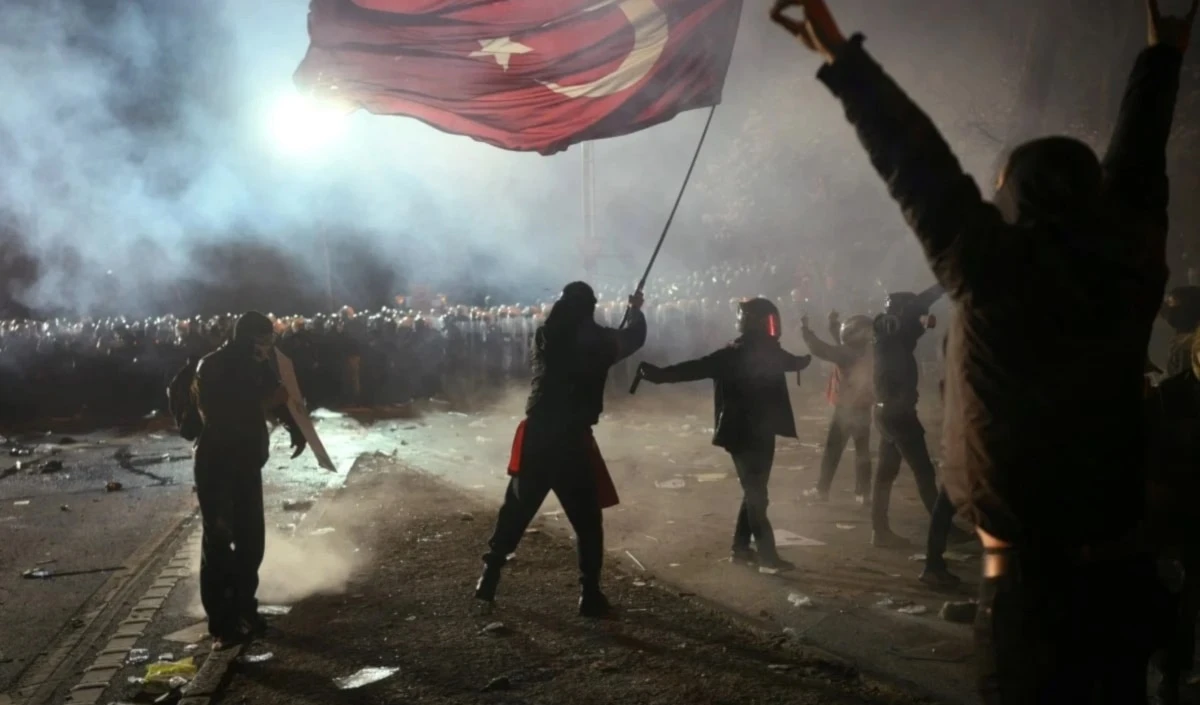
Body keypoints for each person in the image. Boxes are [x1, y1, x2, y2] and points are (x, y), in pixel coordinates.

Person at [771, 0, 1192, 701]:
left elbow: (917, 163)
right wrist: (1163, 60)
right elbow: (1139, 168)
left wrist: (841, 58)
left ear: (1009, 197)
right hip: (1123, 579)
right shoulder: (1129, 268)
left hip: (1031, 597)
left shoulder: (993, 267)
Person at [475, 283, 646, 618]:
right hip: (571, 440)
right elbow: (633, 339)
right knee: (587, 521)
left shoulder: (544, 335)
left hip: (537, 434)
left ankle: (489, 577)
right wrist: (636, 310)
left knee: (516, 511)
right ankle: (590, 593)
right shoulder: (597, 341)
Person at [637, 298, 812, 571]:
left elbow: (694, 368)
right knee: (757, 494)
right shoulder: (754, 353)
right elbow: (799, 362)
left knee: (755, 492)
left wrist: (660, 375)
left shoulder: (743, 353)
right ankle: (766, 555)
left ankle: (741, 549)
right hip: (747, 433)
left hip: (749, 431)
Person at [190, 311, 307, 648]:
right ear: (246, 339)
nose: (266, 349)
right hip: (217, 462)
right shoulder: (211, 365)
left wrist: (295, 429)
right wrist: (265, 401)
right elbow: (219, 411)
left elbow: (279, 395)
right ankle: (222, 626)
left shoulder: (258, 364)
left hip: (246, 461)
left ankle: (245, 611)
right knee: (219, 541)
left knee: (251, 541)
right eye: (262, 342)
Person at [868, 286, 944, 548]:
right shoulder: (890, 334)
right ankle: (944, 531)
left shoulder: (894, 338)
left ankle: (880, 531)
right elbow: (902, 315)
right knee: (923, 471)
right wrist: (944, 283)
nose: (922, 323)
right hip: (898, 415)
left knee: (885, 475)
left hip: (887, 413)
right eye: (917, 317)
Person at [800, 310, 874, 505]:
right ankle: (863, 494)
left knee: (833, 451)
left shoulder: (847, 353)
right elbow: (844, 343)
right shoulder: (868, 350)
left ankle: (822, 490)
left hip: (846, 410)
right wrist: (833, 324)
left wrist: (806, 330)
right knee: (862, 452)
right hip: (864, 407)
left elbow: (819, 349)